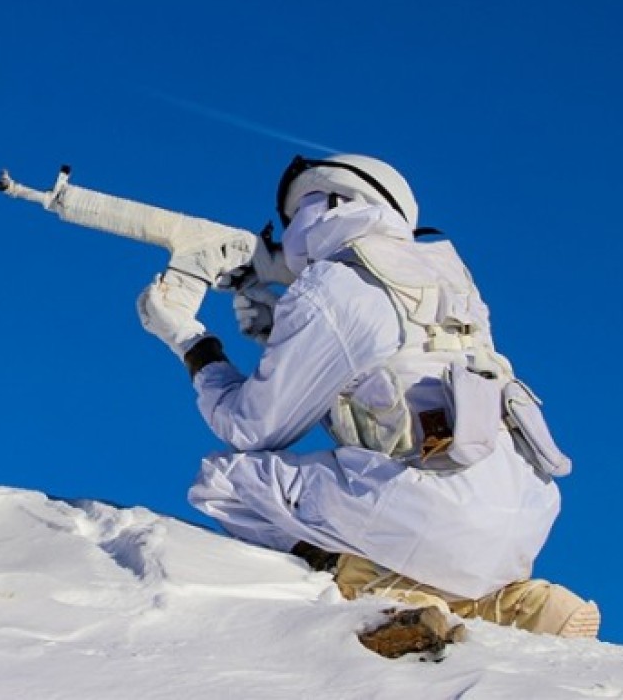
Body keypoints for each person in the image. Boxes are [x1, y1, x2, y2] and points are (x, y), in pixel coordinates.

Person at [136, 154, 599, 638]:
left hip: (430, 514)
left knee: (225, 482)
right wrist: (283, 328)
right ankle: (515, 604)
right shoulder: (451, 282)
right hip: (521, 521)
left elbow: (250, 427)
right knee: (419, 520)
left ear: (325, 205)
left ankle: (385, 594)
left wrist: (190, 341)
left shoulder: (330, 284)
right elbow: (392, 370)